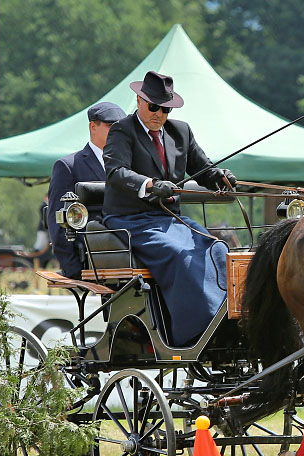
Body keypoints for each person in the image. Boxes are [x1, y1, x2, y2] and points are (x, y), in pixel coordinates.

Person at [102, 71, 236, 346]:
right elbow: (116, 172)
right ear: (139, 101)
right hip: (131, 220)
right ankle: (195, 330)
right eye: (153, 106)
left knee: (217, 248)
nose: (159, 114)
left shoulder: (181, 131)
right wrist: (149, 184)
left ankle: (227, 319)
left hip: (170, 219)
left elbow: (203, 168)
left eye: (165, 109)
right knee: (179, 255)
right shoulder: (122, 130)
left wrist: (219, 177)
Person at [46, 101, 127, 279]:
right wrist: (73, 269)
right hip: (92, 259)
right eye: (110, 125)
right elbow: (58, 221)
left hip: (129, 253)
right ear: (93, 127)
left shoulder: (132, 165)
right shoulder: (69, 166)